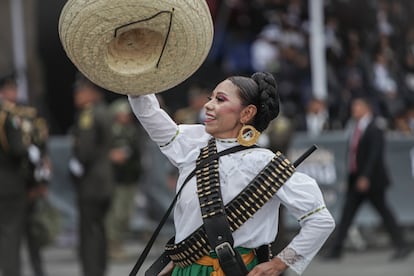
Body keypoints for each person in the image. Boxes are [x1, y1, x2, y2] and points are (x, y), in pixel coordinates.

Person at [128, 72, 335, 275]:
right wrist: (135, 74)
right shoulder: (194, 143)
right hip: (186, 268)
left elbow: (320, 220)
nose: (208, 105)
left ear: (247, 113)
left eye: (220, 100)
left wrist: (279, 264)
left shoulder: (263, 162)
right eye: (211, 98)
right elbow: (149, 114)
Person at [326, 97, 412, 261]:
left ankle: (402, 245)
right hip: (356, 178)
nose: (354, 110)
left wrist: (365, 176)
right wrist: (351, 176)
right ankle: (335, 250)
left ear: (367, 108)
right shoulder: (354, 128)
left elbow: (374, 155)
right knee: (347, 214)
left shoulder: (375, 127)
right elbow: (352, 154)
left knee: (384, 212)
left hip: (372, 180)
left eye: (357, 107)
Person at [68, 74, 114, 276]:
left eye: (80, 91)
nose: (76, 96)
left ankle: (92, 271)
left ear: (90, 92)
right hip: (106, 180)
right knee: (99, 228)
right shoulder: (106, 111)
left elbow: (84, 151)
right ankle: (101, 268)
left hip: (91, 182)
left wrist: (76, 164)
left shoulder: (88, 114)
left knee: (89, 231)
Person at [0, 73, 43, 276]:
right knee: (11, 233)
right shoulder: (9, 117)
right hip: (11, 181)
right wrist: (30, 150)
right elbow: (18, 149)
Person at [106, 98, 142, 260]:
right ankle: (113, 244)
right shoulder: (112, 131)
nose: (126, 117)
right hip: (117, 179)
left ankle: (117, 241)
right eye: (123, 114)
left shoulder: (132, 131)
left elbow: (136, 152)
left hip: (131, 177)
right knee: (117, 213)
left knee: (127, 213)